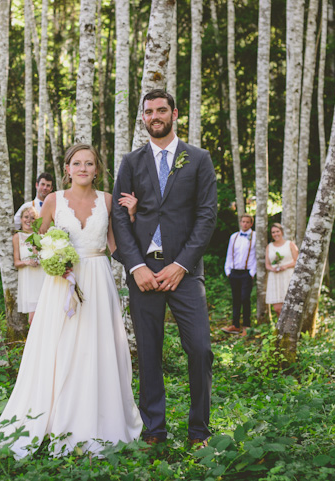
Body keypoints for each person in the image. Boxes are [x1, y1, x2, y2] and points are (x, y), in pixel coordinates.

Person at [0, 144, 142, 459]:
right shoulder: (53, 200)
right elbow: (37, 240)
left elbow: (116, 245)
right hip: (62, 283)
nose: (83, 168)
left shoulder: (108, 201)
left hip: (98, 280)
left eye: (89, 163)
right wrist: (53, 257)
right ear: (67, 168)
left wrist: (133, 217)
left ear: (98, 169)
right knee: (60, 346)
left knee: (97, 346)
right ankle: (55, 415)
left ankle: (99, 419)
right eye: (77, 163)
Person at [112, 89, 217, 447]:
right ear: (142, 118)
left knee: (200, 348)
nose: (155, 116)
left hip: (184, 274)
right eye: (148, 112)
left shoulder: (198, 159)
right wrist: (136, 265)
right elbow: (119, 219)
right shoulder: (130, 162)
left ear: (174, 113)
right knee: (149, 351)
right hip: (143, 272)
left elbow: (206, 217)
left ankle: (199, 431)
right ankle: (155, 429)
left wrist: (181, 265)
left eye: (161, 110)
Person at [222, 214, 257, 337]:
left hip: (247, 273)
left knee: (245, 298)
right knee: (236, 299)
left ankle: (246, 326)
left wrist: (252, 272)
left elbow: (258, 255)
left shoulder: (255, 236)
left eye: (248, 222)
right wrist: (228, 271)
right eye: (243, 222)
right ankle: (235, 325)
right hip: (234, 272)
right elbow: (230, 254)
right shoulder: (234, 237)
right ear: (240, 223)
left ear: (251, 224)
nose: (245, 224)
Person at [13, 205, 45, 324]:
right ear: (21, 219)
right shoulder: (17, 237)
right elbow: (16, 262)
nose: (29, 220)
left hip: (41, 278)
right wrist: (27, 262)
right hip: (28, 281)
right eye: (26, 217)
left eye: (32, 218)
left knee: (44, 315)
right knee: (32, 319)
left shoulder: (41, 236)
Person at [264, 223, 299, 316]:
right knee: (277, 308)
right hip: (275, 277)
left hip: (288, 276)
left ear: (282, 232)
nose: (275, 234)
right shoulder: (269, 246)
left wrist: (285, 266)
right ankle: (281, 328)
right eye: (273, 232)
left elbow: (297, 261)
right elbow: (267, 264)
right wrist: (273, 268)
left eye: (277, 231)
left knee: (289, 305)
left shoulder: (290, 244)